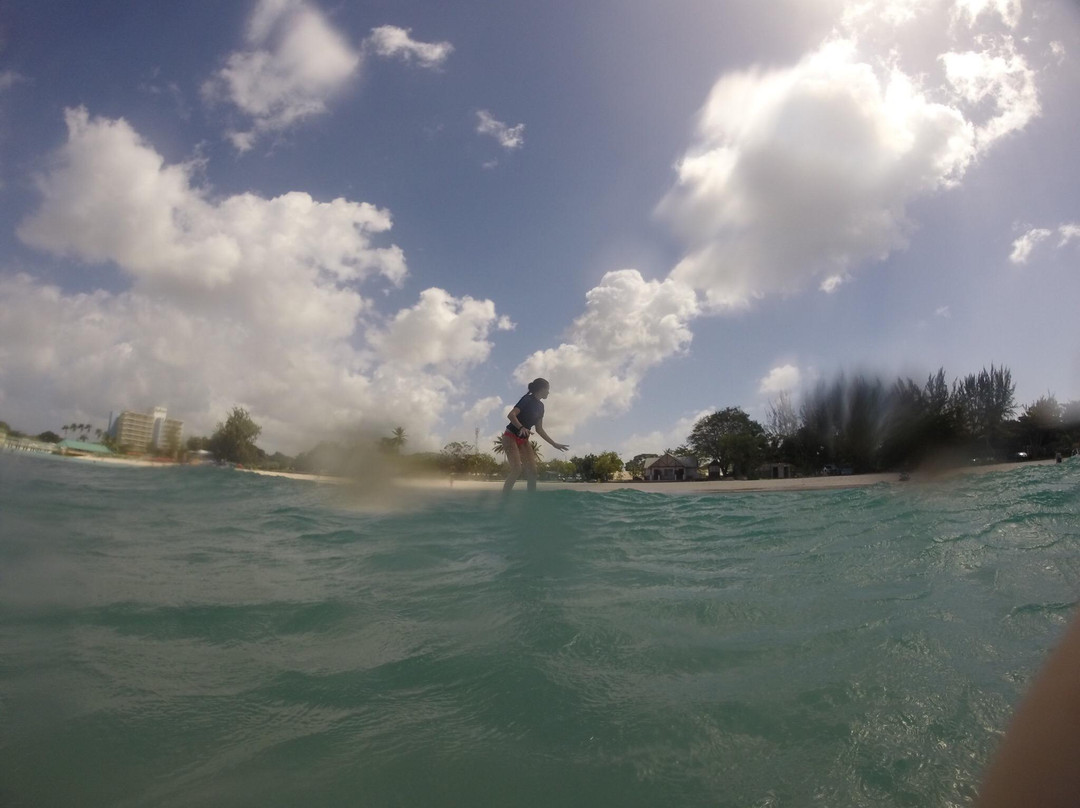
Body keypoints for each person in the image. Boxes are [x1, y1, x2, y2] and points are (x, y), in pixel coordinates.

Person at [502, 378, 568, 492]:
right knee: (517, 469)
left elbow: (539, 429)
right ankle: (504, 498)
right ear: (541, 389)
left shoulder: (541, 407)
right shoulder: (527, 399)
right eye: (547, 389)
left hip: (523, 440)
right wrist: (521, 427)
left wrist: (554, 444)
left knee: (533, 472)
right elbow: (511, 415)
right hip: (510, 436)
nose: (548, 392)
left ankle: (531, 500)